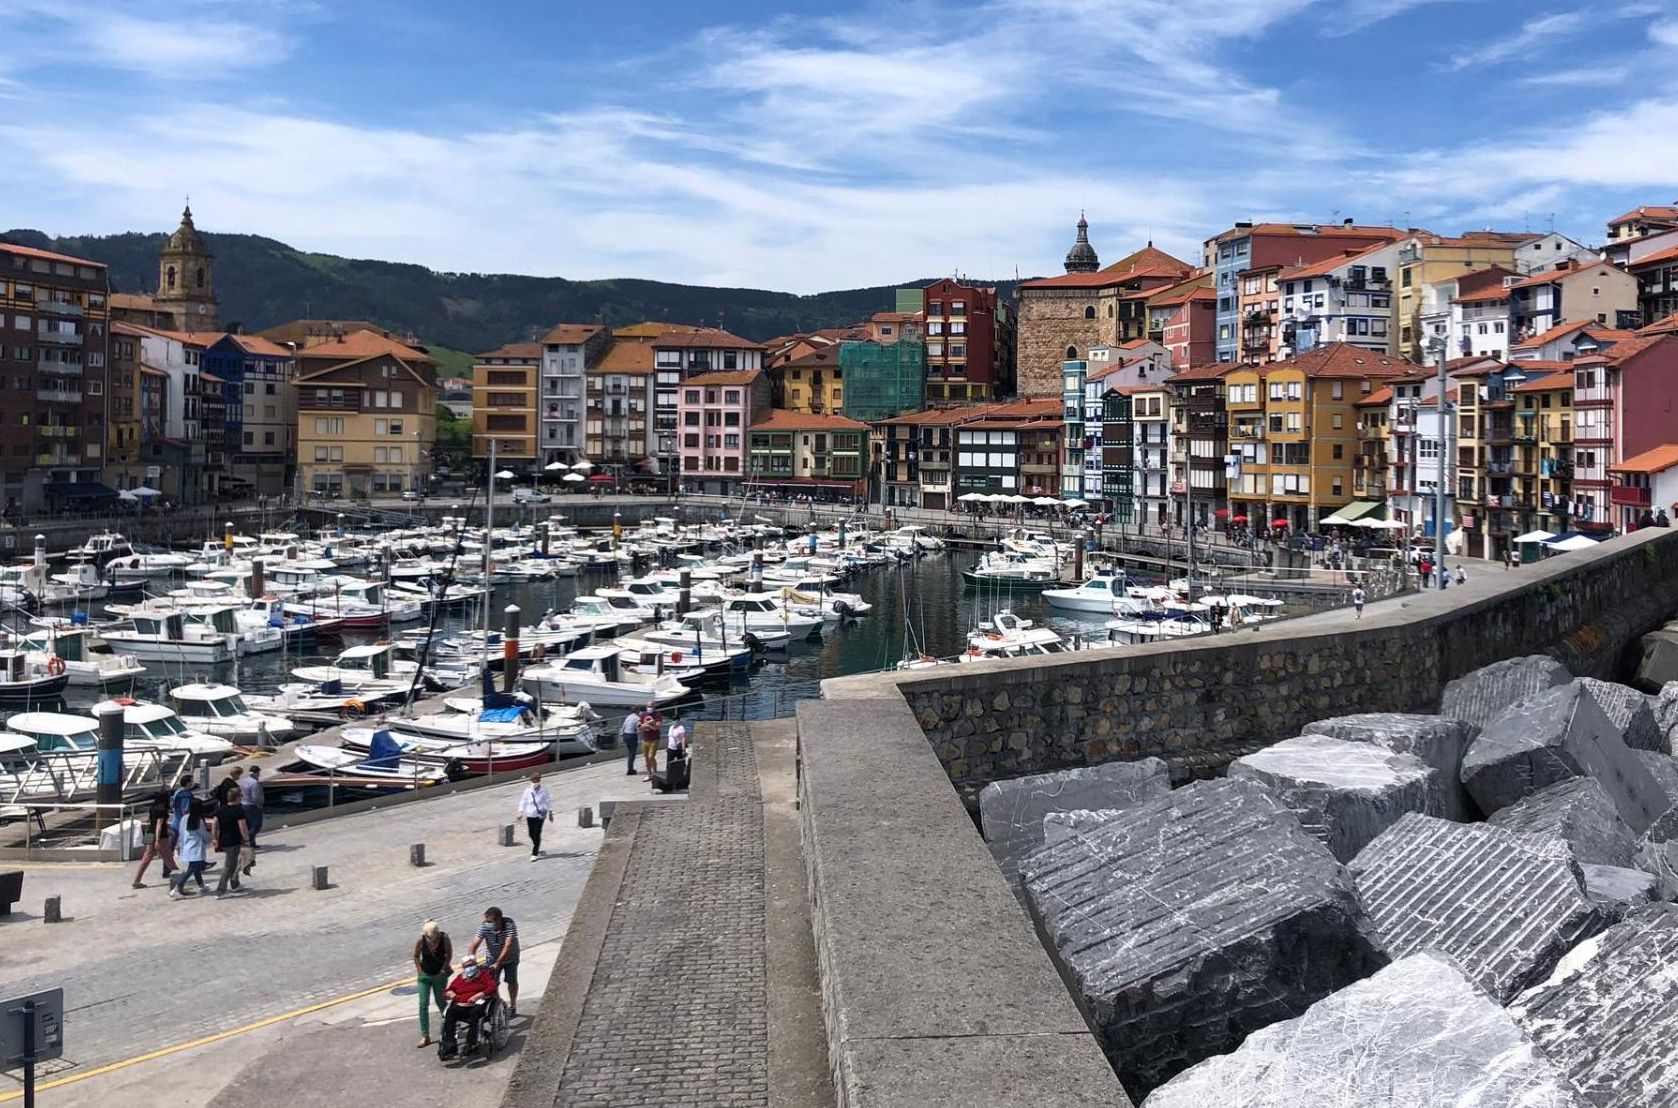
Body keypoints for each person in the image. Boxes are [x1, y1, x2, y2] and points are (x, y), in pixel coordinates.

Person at [438, 956, 497, 1059]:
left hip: (478, 1003)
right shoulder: (460, 978)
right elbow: (447, 991)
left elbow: (492, 987)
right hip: (461, 1005)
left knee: (475, 1013)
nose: (469, 968)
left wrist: (479, 995)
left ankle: (472, 1043)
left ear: (475, 964)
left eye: (471, 965)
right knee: (450, 1013)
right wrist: (449, 993)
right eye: (466, 966)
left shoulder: (484, 975)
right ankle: (450, 1045)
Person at [468, 907, 521, 1018]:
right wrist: (471, 960)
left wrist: (498, 962)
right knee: (492, 982)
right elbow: (474, 945)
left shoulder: (509, 925)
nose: (487, 924)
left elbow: (508, 945)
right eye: (486, 921)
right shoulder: (484, 926)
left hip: (510, 958)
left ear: (498, 920)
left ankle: (513, 1005)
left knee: (511, 980)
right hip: (492, 957)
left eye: (490, 921)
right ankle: (498, 1005)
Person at [414, 919, 453, 1048]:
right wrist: (419, 971)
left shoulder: (445, 938)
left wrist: (444, 968)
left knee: (441, 1002)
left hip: (439, 976)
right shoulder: (421, 940)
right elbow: (416, 956)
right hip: (425, 976)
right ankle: (425, 1035)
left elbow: (449, 955)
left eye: (434, 937)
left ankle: (450, 1027)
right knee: (423, 1004)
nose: (432, 940)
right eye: (430, 937)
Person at [132, 790, 176, 888]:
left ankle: (137, 880)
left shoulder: (153, 808)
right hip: (160, 837)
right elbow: (159, 825)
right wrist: (157, 840)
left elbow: (152, 823)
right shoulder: (162, 810)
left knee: (146, 858)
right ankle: (179, 877)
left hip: (150, 833)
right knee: (168, 857)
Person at [211, 788, 249, 898]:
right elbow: (242, 827)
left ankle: (235, 884)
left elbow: (214, 825)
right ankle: (220, 891)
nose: (241, 798)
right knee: (229, 866)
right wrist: (247, 840)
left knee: (234, 863)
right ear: (236, 798)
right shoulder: (239, 810)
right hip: (234, 840)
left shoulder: (221, 809)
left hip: (223, 840)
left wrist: (214, 838)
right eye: (240, 796)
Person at [170, 798, 211, 899]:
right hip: (196, 848)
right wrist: (210, 839)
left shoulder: (185, 818)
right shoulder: (198, 820)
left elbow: (181, 832)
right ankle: (177, 888)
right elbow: (204, 834)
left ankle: (201, 886)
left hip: (187, 847)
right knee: (191, 869)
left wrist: (180, 844)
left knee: (196, 868)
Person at [517, 771, 553, 861]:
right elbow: (523, 801)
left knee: (537, 833)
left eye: (537, 780)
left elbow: (548, 801)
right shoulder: (528, 791)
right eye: (534, 781)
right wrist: (520, 812)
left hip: (540, 814)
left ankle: (535, 852)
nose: (535, 782)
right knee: (531, 834)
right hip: (530, 814)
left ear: (539, 780)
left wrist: (550, 813)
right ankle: (536, 844)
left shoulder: (544, 790)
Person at [239, 766, 264, 863]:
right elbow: (255, 797)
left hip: (244, 805)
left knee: (249, 825)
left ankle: (252, 842)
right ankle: (247, 842)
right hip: (253, 806)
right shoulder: (255, 783)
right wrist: (259, 805)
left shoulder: (244, 781)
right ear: (256, 773)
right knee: (257, 825)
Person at [637, 704, 662, 782]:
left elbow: (657, 727)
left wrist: (649, 726)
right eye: (648, 706)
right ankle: (649, 775)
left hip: (654, 739)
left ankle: (655, 773)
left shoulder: (657, 715)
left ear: (654, 707)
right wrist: (643, 726)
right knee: (646, 758)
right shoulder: (643, 714)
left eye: (651, 706)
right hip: (645, 739)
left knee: (651, 757)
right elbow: (639, 725)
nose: (649, 708)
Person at [619, 710, 640, 776]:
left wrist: (622, 735)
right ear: (638, 711)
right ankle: (630, 769)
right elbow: (638, 728)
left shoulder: (628, 717)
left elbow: (623, 726)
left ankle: (630, 768)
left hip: (626, 734)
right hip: (632, 735)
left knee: (630, 752)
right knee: (632, 753)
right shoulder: (637, 718)